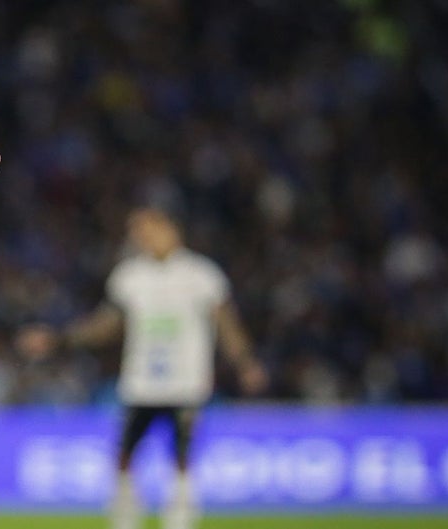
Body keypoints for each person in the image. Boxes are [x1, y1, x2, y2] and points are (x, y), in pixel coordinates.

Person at [19, 201, 267, 529]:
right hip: (141, 381)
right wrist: (59, 339)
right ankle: (126, 512)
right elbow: (106, 325)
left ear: (170, 228)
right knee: (125, 453)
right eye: (136, 231)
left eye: (147, 228)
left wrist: (245, 362)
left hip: (186, 381)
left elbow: (226, 324)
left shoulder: (201, 275)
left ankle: (180, 514)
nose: (141, 236)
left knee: (181, 454)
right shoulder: (130, 276)